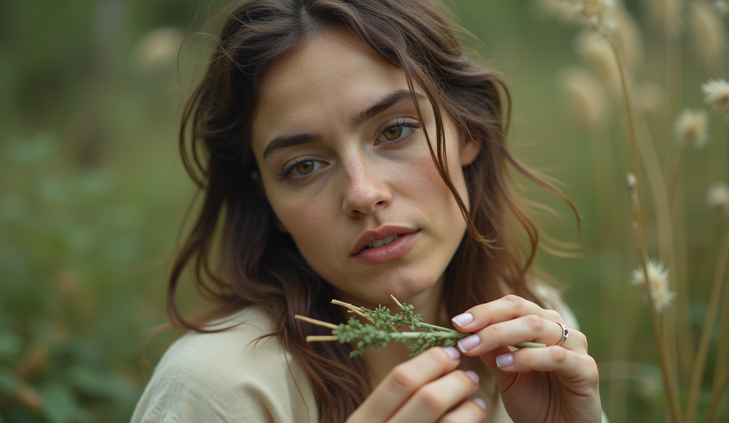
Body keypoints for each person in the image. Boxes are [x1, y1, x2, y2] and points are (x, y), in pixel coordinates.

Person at [132, 0, 603, 421]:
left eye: (395, 131)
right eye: (304, 166)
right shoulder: (217, 391)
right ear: (268, 202)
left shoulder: (533, 332)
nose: (362, 193)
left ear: (468, 131)